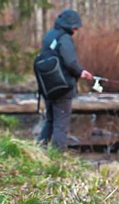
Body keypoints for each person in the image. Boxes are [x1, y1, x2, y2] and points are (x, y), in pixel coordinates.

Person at [37, 9, 93, 151]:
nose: (76, 30)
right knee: (61, 125)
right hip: (62, 87)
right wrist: (81, 72)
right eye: (75, 27)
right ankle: (58, 159)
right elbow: (70, 62)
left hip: (47, 87)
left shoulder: (49, 35)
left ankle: (39, 149)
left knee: (50, 120)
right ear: (69, 26)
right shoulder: (65, 38)